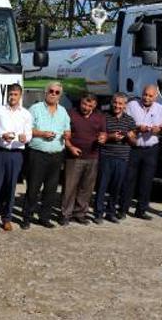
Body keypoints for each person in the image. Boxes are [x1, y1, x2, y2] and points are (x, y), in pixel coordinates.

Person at [22, 82, 69, 230]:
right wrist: (42, 133)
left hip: (56, 155)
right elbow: (27, 129)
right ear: (45, 92)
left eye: (57, 92)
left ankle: (45, 217)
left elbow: (67, 130)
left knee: (51, 189)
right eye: (51, 91)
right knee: (33, 188)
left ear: (60, 95)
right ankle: (27, 217)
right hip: (38, 155)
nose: (53, 94)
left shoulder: (63, 111)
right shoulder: (35, 109)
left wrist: (68, 134)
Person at [0, 84, 32, 231]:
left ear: (20, 95)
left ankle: (7, 218)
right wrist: (2, 136)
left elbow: (29, 134)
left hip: (16, 153)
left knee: (11, 187)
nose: (12, 97)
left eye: (15, 94)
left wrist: (26, 138)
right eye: (10, 94)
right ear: (7, 95)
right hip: (0, 151)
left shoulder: (26, 114)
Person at [121, 84, 162, 220]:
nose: (146, 98)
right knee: (129, 179)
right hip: (134, 148)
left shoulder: (161, 109)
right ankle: (123, 209)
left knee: (147, 180)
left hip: (151, 149)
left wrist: (158, 130)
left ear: (155, 97)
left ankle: (141, 210)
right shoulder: (132, 105)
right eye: (145, 94)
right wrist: (137, 128)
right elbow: (124, 123)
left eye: (150, 95)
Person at [62, 93, 106, 226]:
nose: (86, 107)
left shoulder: (100, 117)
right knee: (69, 187)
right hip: (74, 156)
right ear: (80, 102)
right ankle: (65, 214)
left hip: (92, 157)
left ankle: (80, 214)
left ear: (95, 105)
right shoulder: (70, 114)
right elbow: (64, 134)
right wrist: (70, 148)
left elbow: (103, 133)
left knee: (86, 188)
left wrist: (103, 138)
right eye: (84, 104)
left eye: (89, 105)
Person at [94, 92, 137, 224]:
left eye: (120, 103)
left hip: (122, 158)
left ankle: (111, 212)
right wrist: (110, 137)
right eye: (115, 103)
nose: (117, 106)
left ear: (125, 105)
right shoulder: (104, 117)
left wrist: (130, 137)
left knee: (116, 187)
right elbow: (99, 137)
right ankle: (98, 213)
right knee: (102, 186)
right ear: (112, 103)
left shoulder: (130, 120)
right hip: (106, 156)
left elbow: (135, 142)